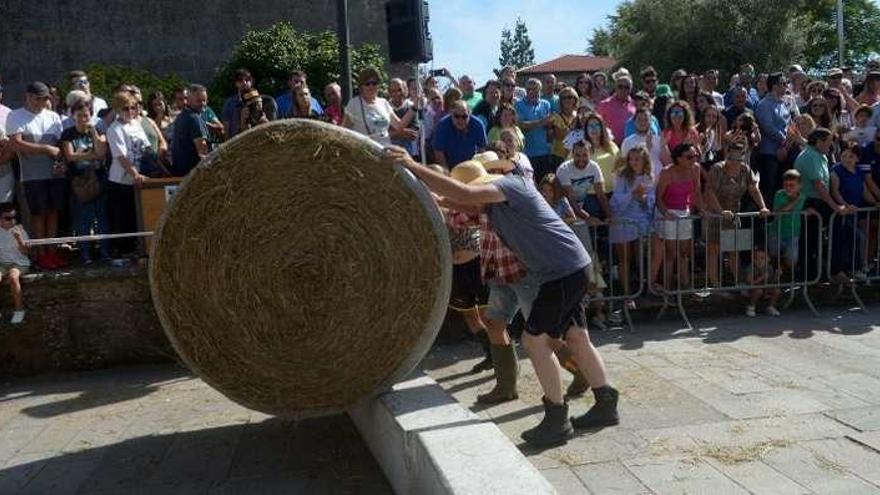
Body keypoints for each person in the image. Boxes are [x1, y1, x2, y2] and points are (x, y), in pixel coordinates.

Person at [387, 146, 620, 447]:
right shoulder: (495, 204)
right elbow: (458, 203)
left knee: (535, 341)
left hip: (562, 270)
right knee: (576, 337)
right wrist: (425, 191)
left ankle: (557, 419)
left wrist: (412, 164)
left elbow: (464, 195)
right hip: (566, 268)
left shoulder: (512, 184)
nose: (479, 189)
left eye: (479, 184)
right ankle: (606, 402)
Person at [5, 82, 65, 270]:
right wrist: (45, 149)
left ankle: (52, 252)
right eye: (39, 98)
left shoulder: (54, 116)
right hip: (32, 176)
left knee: (53, 213)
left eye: (46, 98)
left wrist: (61, 162)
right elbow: (16, 145)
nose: (43, 102)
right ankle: (40, 255)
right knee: (38, 215)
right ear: (29, 97)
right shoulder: (15, 116)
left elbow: (61, 146)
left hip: (55, 175)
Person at [703, 142, 768, 289]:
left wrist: (762, 207)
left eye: (740, 157)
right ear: (727, 155)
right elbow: (709, 192)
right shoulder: (717, 169)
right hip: (715, 214)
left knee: (734, 249)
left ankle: (738, 282)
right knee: (714, 249)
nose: (736, 161)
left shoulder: (745, 170)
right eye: (733, 157)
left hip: (733, 213)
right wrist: (720, 211)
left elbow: (753, 189)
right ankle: (714, 284)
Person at [795, 128, 853, 280]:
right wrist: (836, 208)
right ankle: (811, 277)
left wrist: (843, 205)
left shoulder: (820, 156)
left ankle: (829, 271)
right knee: (810, 241)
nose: (831, 145)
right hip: (811, 203)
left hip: (819, 202)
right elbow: (819, 186)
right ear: (819, 142)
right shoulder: (810, 157)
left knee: (829, 235)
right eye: (828, 142)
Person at [60, 100, 110, 264]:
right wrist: (92, 155)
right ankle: (85, 255)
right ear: (73, 116)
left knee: (102, 217)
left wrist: (93, 132)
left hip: (99, 178)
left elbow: (101, 153)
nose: (83, 119)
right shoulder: (68, 133)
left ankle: (104, 252)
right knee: (83, 218)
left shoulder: (98, 130)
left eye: (86, 115)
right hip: (79, 181)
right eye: (79, 115)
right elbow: (70, 156)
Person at [655, 143, 705, 292]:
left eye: (695, 156)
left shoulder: (695, 169)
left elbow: (696, 192)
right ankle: (668, 288)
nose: (693, 160)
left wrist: (701, 209)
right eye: (689, 157)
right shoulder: (667, 172)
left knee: (685, 251)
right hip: (668, 213)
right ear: (678, 158)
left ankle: (686, 285)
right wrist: (665, 212)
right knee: (670, 253)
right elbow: (658, 198)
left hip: (685, 212)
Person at [106, 91, 151, 257]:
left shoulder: (136, 125)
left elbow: (146, 149)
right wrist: (135, 174)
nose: (131, 112)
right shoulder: (114, 129)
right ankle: (121, 252)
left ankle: (136, 248)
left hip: (139, 178)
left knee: (135, 217)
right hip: (120, 180)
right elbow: (121, 156)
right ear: (118, 109)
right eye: (126, 108)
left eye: (133, 108)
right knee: (122, 219)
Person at [610, 145, 655, 308]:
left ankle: (644, 288)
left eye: (637, 159)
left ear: (644, 160)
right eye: (631, 159)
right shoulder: (622, 176)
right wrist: (632, 194)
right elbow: (615, 202)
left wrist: (643, 199)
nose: (634, 162)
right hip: (622, 220)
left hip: (641, 221)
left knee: (641, 255)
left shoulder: (649, 177)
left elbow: (650, 201)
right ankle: (628, 294)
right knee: (624, 258)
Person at [830, 142, 877, 282]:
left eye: (850, 156)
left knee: (859, 239)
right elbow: (835, 191)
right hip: (841, 214)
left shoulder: (859, 172)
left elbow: (864, 192)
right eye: (844, 156)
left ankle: (855, 269)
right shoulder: (836, 170)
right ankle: (849, 270)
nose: (846, 159)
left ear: (857, 159)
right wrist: (845, 206)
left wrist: (875, 203)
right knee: (854, 239)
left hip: (854, 214)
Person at [344, 67, 415, 147]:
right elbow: (344, 131)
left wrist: (414, 107)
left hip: (385, 151)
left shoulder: (384, 103)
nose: (371, 86)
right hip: (365, 153)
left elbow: (399, 126)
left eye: (374, 83)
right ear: (361, 86)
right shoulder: (354, 104)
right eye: (367, 84)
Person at [556, 141, 610, 222]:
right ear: (572, 155)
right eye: (578, 155)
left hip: (580, 205)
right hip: (563, 209)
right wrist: (588, 218)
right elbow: (569, 199)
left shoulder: (594, 167)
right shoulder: (564, 169)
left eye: (584, 155)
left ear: (590, 155)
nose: (581, 159)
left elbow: (601, 195)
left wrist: (609, 216)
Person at [769, 169, 807, 276]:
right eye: (786, 185)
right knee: (773, 257)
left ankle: (786, 276)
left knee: (792, 259)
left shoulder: (803, 196)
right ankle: (774, 276)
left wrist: (807, 210)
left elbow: (802, 208)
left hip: (793, 233)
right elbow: (781, 211)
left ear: (799, 185)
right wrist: (795, 200)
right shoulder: (779, 195)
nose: (789, 188)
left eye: (792, 185)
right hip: (776, 232)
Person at [516, 79, 554, 182]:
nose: (531, 92)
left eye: (535, 89)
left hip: (545, 152)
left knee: (545, 184)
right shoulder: (519, 105)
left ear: (540, 91)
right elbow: (522, 126)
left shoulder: (546, 104)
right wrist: (542, 122)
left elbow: (549, 125)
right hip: (527, 154)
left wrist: (548, 125)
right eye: (529, 89)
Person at [170, 84, 210, 177]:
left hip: (180, 174)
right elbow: (202, 152)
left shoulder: (180, 117)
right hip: (193, 176)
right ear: (189, 101)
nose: (203, 104)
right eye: (199, 101)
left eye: (204, 100)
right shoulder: (195, 119)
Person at [432, 101, 487, 166]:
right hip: (449, 165)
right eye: (456, 116)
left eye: (464, 116)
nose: (460, 120)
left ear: (470, 114)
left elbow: (482, 149)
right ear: (450, 113)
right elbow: (439, 152)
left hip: (471, 165)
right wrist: (446, 173)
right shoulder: (442, 126)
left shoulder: (478, 125)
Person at [0, 204, 29, 324]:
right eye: (8, 218)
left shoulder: (20, 230)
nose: (12, 221)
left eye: (14, 217)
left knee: (13, 276)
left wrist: (19, 239)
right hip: (2, 263)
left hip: (20, 263)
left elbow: (26, 252)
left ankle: (19, 309)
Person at [622, 109, 665, 180]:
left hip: (659, 182)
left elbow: (667, 163)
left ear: (650, 121)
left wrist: (663, 146)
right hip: (638, 183)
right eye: (639, 119)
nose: (642, 122)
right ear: (634, 122)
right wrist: (648, 149)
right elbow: (625, 165)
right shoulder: (627, 142)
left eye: (646, 119)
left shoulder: (659, 139)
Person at [583, 113, 620, 194]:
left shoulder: (612, 146)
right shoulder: (580, 148)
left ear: (602, 127)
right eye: (590, 125)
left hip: (612, 192)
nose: (594, 128)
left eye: (597, 125)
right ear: (586, 129)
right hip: (590, 194)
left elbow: (620, 167)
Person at [597, 74, 635, 146]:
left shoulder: (635, 105)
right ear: (615, 87)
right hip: (611, 146)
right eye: (620, 86)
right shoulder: (604, 104)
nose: (623, 89)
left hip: (630, 147)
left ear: (631, 89)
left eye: (627, 87)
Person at [743, 249, 781, 317]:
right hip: (751, 289)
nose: (760, 261)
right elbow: (749, 281)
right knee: (759, 291)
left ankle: (770, 307)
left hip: (765, 288)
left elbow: (771, 281)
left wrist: (776, 276)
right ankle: (751, 307)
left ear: (768, 259)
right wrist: (761, 278)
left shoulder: (769, 268)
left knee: (777, 290)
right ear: (753, 260)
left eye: (762, 258)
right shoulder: (751, 268)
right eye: (756, 258)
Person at [388, 78, 420, 159]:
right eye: (393, 91)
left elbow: (413, 134)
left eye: (399, 90)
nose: (397, 93)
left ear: (405, 90)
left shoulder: (412, 107)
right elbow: (384, 133)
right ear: (389, 92)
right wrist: (402, 132)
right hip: (390, 151)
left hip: (409, 153)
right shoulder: (385, 107)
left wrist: (394, 133)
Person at [548, 88, 578, 166]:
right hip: (560, 157)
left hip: (577, 155)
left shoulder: (578, 115)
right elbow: (560, 136)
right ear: (560, 101)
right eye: (564, 98)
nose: (567, 100)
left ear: (575, 99)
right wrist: (574, 125)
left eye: (570, 97)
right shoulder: (556, 117)